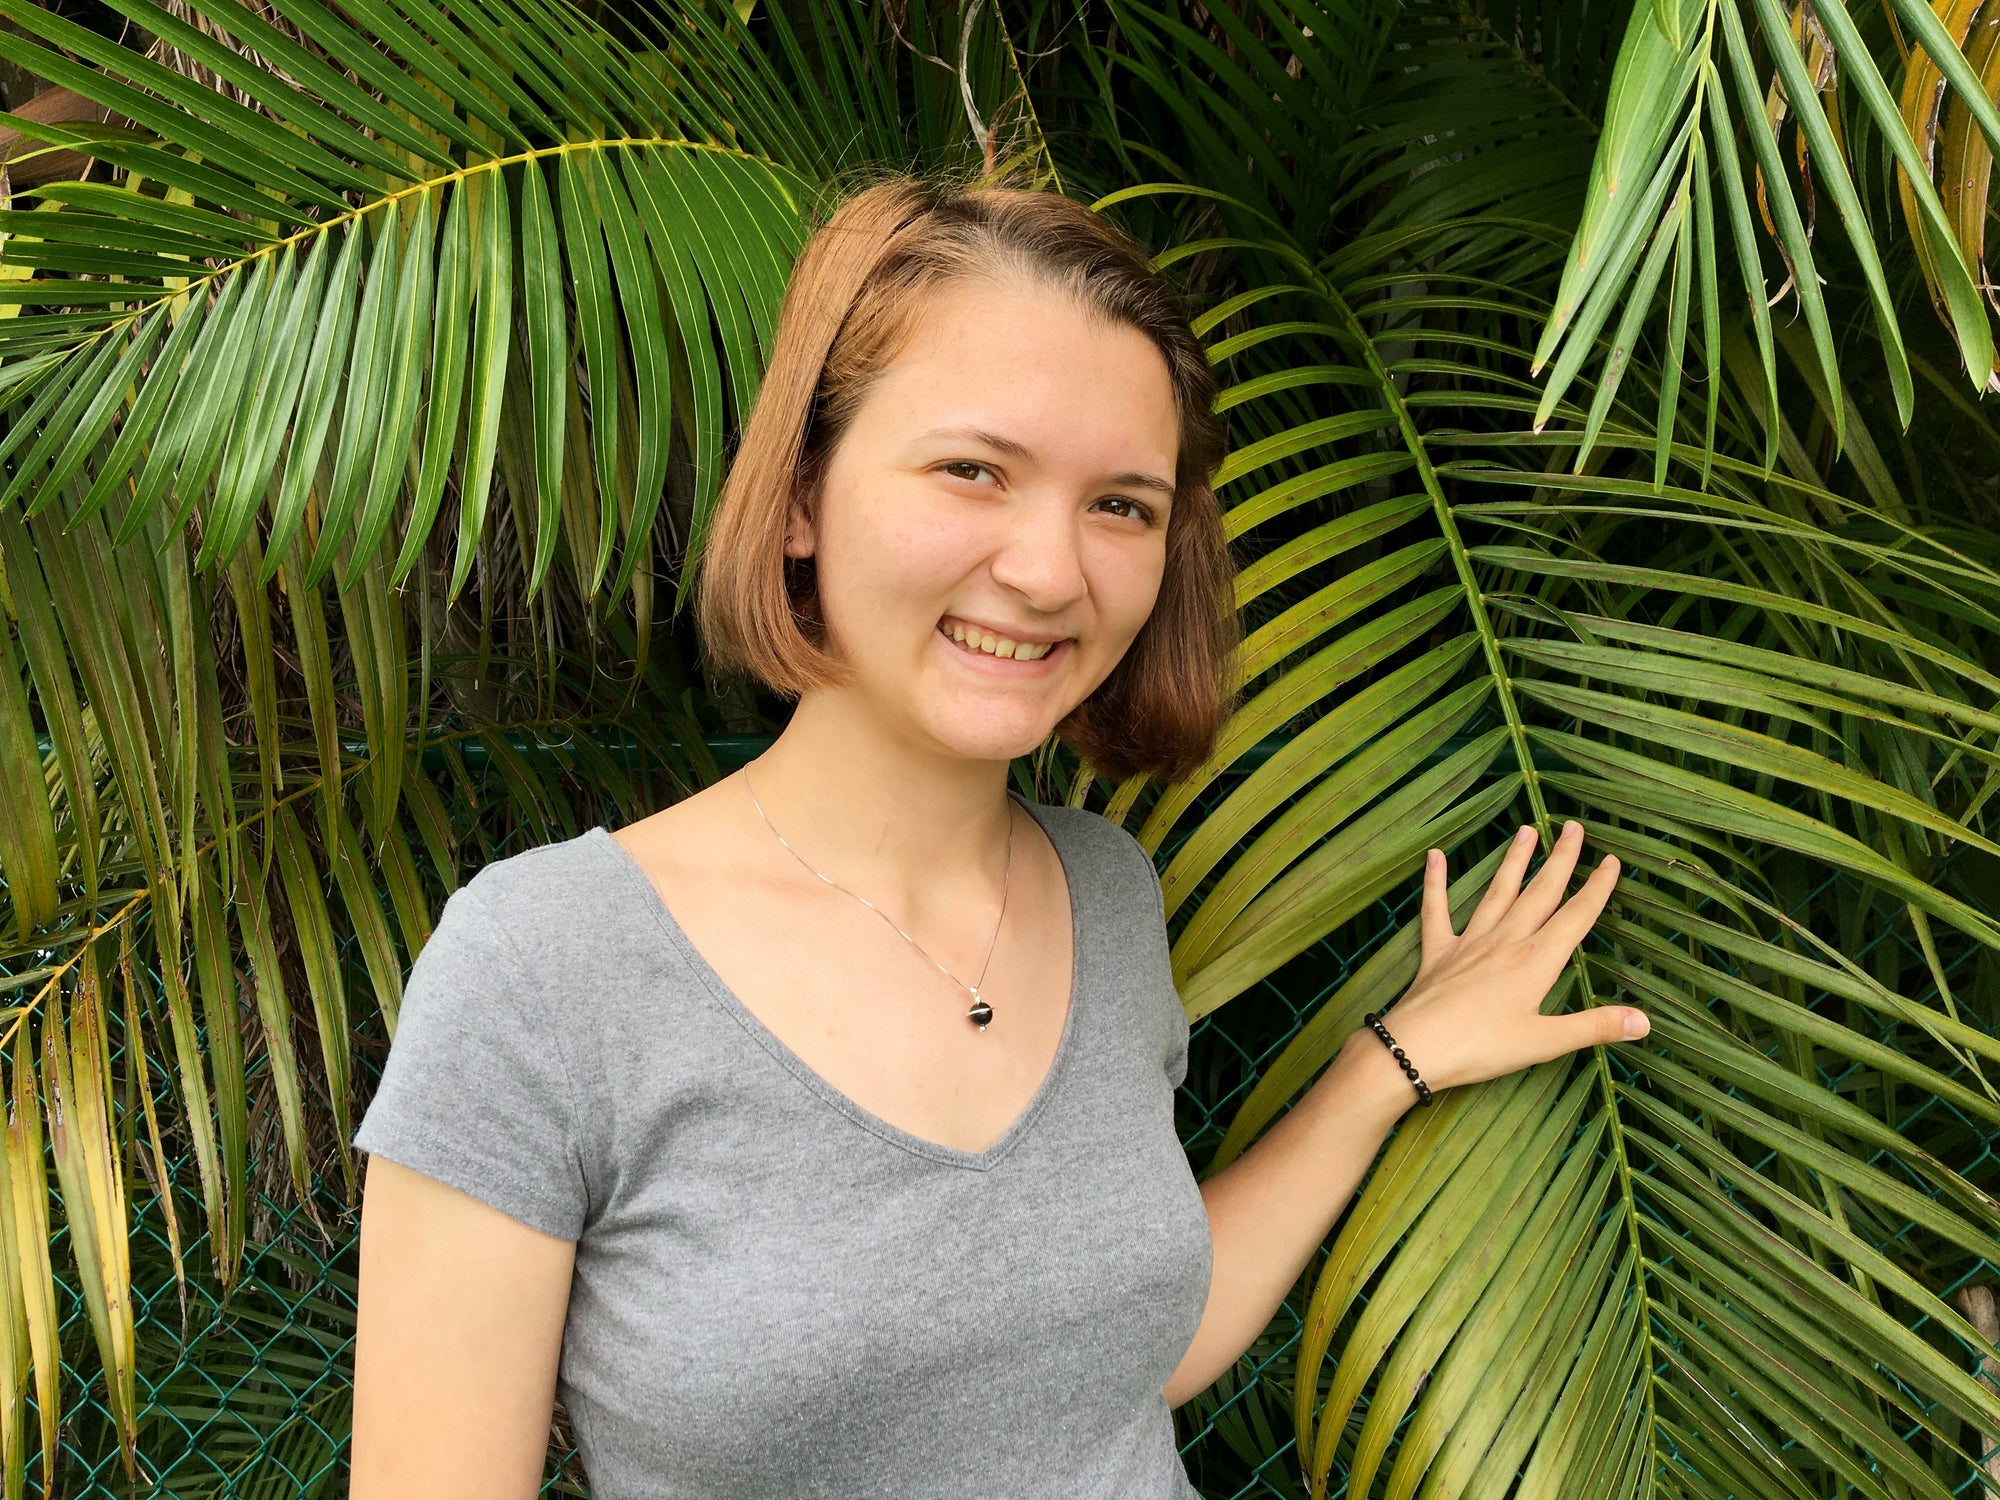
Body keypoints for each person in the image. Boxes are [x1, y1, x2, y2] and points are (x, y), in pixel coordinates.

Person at [347, 174, 1644, 1499]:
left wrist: (1389, 1063)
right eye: (975, 471)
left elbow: (1106, 1364)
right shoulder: (549, 967)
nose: (1048, 570)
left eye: (1123, 506)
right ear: (802, 494)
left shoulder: (1105, 892)